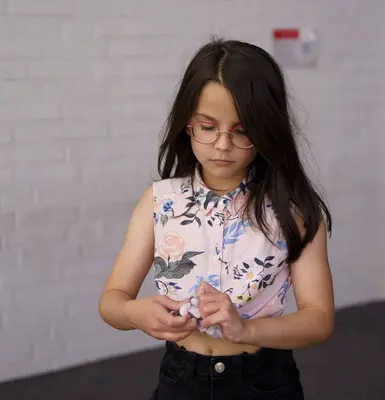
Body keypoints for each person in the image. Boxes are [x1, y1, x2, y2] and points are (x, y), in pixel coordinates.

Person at [98, 38, 334, 399]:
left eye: (242, 130)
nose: (223, 144)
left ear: (267, 127)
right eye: (207, 127)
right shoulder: (160, 202)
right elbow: (111, 302)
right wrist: (135, 314)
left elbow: (319, 320)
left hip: (263, 382)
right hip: (181, 379)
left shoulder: (293, 210)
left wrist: (246, 330)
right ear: (186, 124)